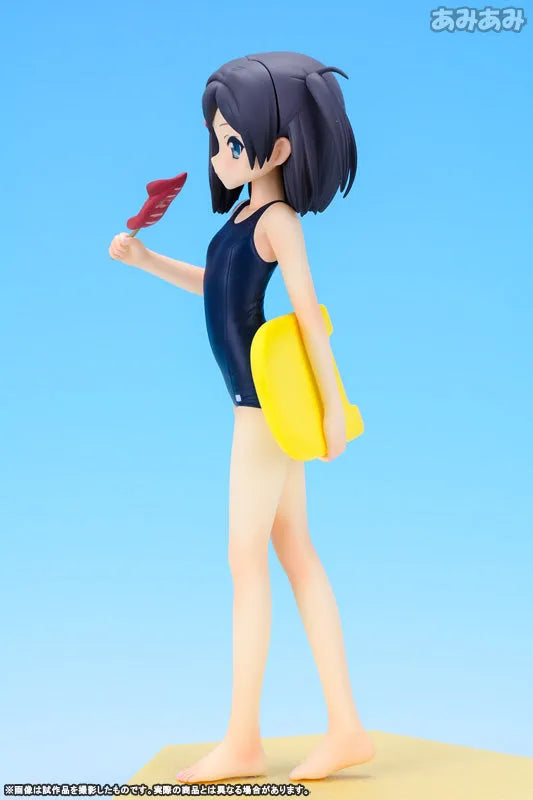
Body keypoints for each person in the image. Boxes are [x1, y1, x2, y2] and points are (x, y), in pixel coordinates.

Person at [108, 50, 375, 783]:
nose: (219, 155)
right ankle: (346, 727)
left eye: (233, 141)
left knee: (245, 561)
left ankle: (243, 740)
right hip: (255, 407)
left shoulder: (280, 219)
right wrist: (147, 262)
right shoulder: (243, 215)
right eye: (218, 139)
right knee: (295, 552)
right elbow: (218, 287)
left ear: (279, 147)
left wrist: (331, 409)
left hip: (260, 410)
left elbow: (310, 318)